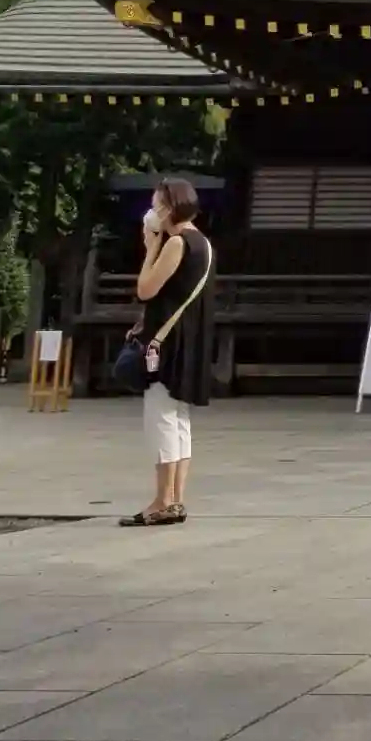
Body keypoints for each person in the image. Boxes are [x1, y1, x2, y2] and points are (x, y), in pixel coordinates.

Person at [120, 177, 214, 526]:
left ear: (172, 207)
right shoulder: (203, 243)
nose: (153, 211)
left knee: (161, 420)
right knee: (178, 422)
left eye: (158, 204)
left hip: (166, 346)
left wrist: (150, 248)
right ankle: (175, 499)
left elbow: (146, 289)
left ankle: (162, 501)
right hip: (185, 340)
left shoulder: (177, 243)